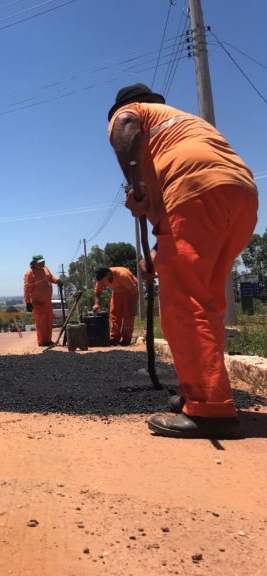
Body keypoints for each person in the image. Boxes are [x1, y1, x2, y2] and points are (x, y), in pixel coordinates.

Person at [108, 83, 258, 439]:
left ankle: (210, 410)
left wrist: (135, 187)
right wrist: (156, 255)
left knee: (185, 306)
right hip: (240, 196)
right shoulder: (180, 125)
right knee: (206, 303)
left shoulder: (132, 113)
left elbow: (124, 125)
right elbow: (183, 219)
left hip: (195, 194)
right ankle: (198, 392)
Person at [92, 266, 139, 346]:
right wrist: (96, 304)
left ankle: (126, 339)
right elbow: (97, 291)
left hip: (129, 293)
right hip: (116, 293)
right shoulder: (101, 277)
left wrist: (133, 305)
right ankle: (114, 338)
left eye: (103, 278)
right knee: (114, 315)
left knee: (128, 315)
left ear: (108, 274)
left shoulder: (122, 275)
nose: (103, 281)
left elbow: (134, 291)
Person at [23, 254, 62, 346]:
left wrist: (57, 280)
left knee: (49, 320)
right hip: (38, 302)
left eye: (43, 262)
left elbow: (51, 277)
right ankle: (41, 341)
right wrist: (28, 302)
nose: (42, 264)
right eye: (40, 262)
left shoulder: (45, 268)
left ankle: (48, 340)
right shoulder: (29, 274)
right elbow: (27, 289)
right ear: (34, 263)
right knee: (41, 322)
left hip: (47, 301)